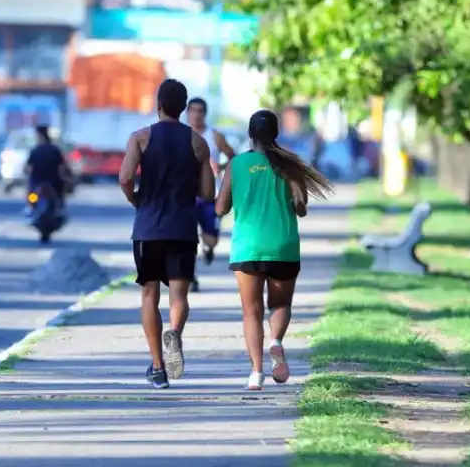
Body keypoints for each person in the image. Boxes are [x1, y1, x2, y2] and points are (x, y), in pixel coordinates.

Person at [215, 109, 333, 390]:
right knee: (280, 305)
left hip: (248, 247)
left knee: (251, 312)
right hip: (283, 245)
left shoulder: (236, 165)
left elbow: (220, 208)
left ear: (250, 134)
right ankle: (276, 341)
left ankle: (256, 373)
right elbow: (301, 208)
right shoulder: (290, 165)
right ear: (276, 133)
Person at [119, 79, 216, 390]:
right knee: (179, 295)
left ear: (157, 105)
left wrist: (135, 198)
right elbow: (207, 192)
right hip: (183, 228)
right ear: (184, 108)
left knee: (149, 294)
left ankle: (158, 367)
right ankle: (173, 331)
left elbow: (125, 177)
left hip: (148, 228)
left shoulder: (140, 138)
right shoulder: (198, 142)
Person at [186, 97, 236, 292]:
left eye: (200, 111)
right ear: (187, 113)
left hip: (209, 196)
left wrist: (220, 167)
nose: (196, 114)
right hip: (187, 197)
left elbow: (233, 157)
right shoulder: (181, 135)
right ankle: (190, 277)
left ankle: (208, 249)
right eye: (193, 110)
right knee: (187, 240)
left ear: (205, 114)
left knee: (211, 239)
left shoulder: (214, 136)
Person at [24, 125, 72, 211]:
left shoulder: (35, 151)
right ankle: (60, 206)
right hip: (53, 182)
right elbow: (62, 167)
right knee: (60, 193)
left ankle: (31, 207)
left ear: (40, 136)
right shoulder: (55, 150)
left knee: (31, 193)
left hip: (38, 181)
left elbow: (27, 168)